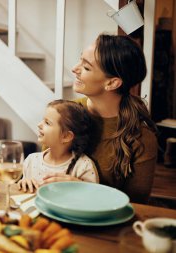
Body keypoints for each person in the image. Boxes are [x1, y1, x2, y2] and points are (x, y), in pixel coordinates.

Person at [44, 34, 158, 203]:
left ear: (112, 83)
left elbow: (136, 203)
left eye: (87, 67)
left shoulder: (142, 137)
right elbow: (45, 169)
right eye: (80, 60)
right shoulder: (64, 115)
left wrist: (85, 190)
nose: (75, 68)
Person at [18, 99, 99, 193]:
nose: (39, 125)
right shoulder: (31, 160)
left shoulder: (83, 166)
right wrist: (23, 182)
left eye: (47, 123)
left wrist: (78, 185)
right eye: (42, 120)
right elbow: (22, 192)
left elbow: (93, 198)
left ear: (66, 136)